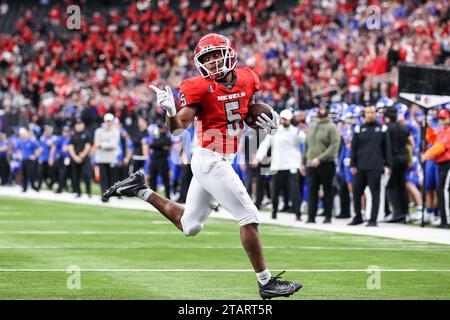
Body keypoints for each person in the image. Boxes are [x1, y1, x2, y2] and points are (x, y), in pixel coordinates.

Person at [103, 33, 302, 299]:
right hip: (210, 159)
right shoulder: (199, 87)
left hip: (218, 159)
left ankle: (141, 190)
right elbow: (177, 128)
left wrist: (270, 119)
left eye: (216, 55)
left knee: (190, 226)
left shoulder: (247, 77)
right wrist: (170, 111)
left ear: (229, 53)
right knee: (249, 217)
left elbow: (250, 111)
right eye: (206, 59)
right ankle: (265, 282)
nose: (213, 62)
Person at [255, 109, 305, 220]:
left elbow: (306, 142)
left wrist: (303, 162)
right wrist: (258, 157)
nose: (284, 121)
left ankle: (298, 213)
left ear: (290, 120)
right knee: (275, 191)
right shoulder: (275, 132)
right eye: (283, 119)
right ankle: (274, 211)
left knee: (294, 191)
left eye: (286, 119)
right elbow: (265, 145)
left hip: (292, 165)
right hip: (277, 165)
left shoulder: (296, 132)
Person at [349, 105, 392, 227]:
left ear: (376, 114)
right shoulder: (359, 129)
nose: (370, 115)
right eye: (368, 113)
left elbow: (387, 148)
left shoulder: (382, 129)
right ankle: (358, 216)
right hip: (360, 166)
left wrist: (388, 165)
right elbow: (354, 148)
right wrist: (353, 164)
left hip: (375, 166)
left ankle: (373, 219)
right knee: (357, 192)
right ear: (364, 114)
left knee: (375, 193)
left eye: (372, 113)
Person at [301, 104, 339, 224]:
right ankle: (311, 216)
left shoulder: (331, 127)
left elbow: (334, 145)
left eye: (322, 110)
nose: (320, 112)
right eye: (319, 110)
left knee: (327, 190)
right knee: (312, 190)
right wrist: (303, 162)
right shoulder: (312, 126)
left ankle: (328, 216)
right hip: (311, 163)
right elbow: (307, 145)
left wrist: (321, 158)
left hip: (326, 163)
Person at [384, 106, 414, 223]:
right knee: (402, 186)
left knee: (391, 186)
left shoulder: (387, 128)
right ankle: (405, 213)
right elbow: (411, 144)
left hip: (393, 159)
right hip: (404, 158)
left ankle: (397, 213)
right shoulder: (403, 127)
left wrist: (388, 163)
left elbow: (387, 147)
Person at [422, 108, 450, 228]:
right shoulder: (441, 131)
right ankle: (444, 218)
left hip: (448, 164)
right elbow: (433, 139)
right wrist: (427, 128)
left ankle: (446, 219)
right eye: (440, 118)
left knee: (444, 191)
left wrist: (427, 155)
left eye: (444, 118)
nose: (441, 121)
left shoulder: (448, 131)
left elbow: (440, 147)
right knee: (441, 190)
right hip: (441, 164)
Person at [94, 113, 120, 202]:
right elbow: (96, 144)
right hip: (101, 158)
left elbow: (113, 144)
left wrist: (102, 144)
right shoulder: (98, 131)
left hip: (111, 158)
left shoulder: (115, 131)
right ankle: (104, 195)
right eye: (107, 121)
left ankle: (110, 193)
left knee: (111, 177)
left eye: (110, 121)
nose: (109, 123)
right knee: (103, 177)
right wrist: (106, 144)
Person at [68, 120, 92, 198]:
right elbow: (70, 147)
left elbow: (87, 146)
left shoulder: (86, 134)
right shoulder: (73, 135)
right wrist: (75, 157)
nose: (78, 126)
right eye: (77, 124)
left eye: (80, 124)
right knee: (75, 176)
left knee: (86, 175)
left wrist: (82, 156)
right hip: (75, 158)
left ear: (83, 125)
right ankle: (78, 192)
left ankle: (88, 192)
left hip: (84, 158)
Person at [17, 127, 41, 192]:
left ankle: (33, 186)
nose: (23, 135)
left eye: (24, 133)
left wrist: (35, 156)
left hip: (30, 160)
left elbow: (39, 149)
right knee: (24, 174)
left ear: (27, 134)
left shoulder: (32, 141)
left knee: (31, 173)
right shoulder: (20, 141)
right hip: (23, 160)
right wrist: (19, 155)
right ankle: (24, 187)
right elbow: (18, 149)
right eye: (22, 134)